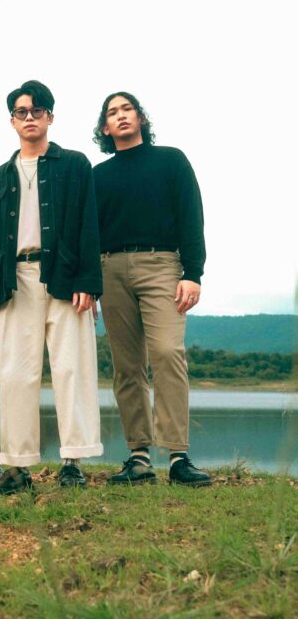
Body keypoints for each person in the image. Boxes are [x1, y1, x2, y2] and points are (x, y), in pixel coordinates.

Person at [0, 80, 104, 495]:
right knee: (16, 373)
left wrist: (89, 281)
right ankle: (17, 467)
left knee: (72, 368)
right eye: (21, 112)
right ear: (11, 121)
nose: (29, 117)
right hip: (14, 280)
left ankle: (73, 462)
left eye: (37, 110)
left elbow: (88, 224)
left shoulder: (75, 165)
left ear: (50, 116)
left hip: (65, 277)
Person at [92, 92, 211, 487]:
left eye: (127, 109)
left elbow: (191, 215)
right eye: (113, 112)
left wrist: (193, 273)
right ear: (105, 127)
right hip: (110, 270)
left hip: (162, 265)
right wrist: (88, 283)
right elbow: (89, 233)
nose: (121, 116)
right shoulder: (98, 175)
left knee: (167, 353)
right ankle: (139, 458)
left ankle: (178, 457)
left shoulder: (171, 160)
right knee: (127, 366)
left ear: (140, 117)